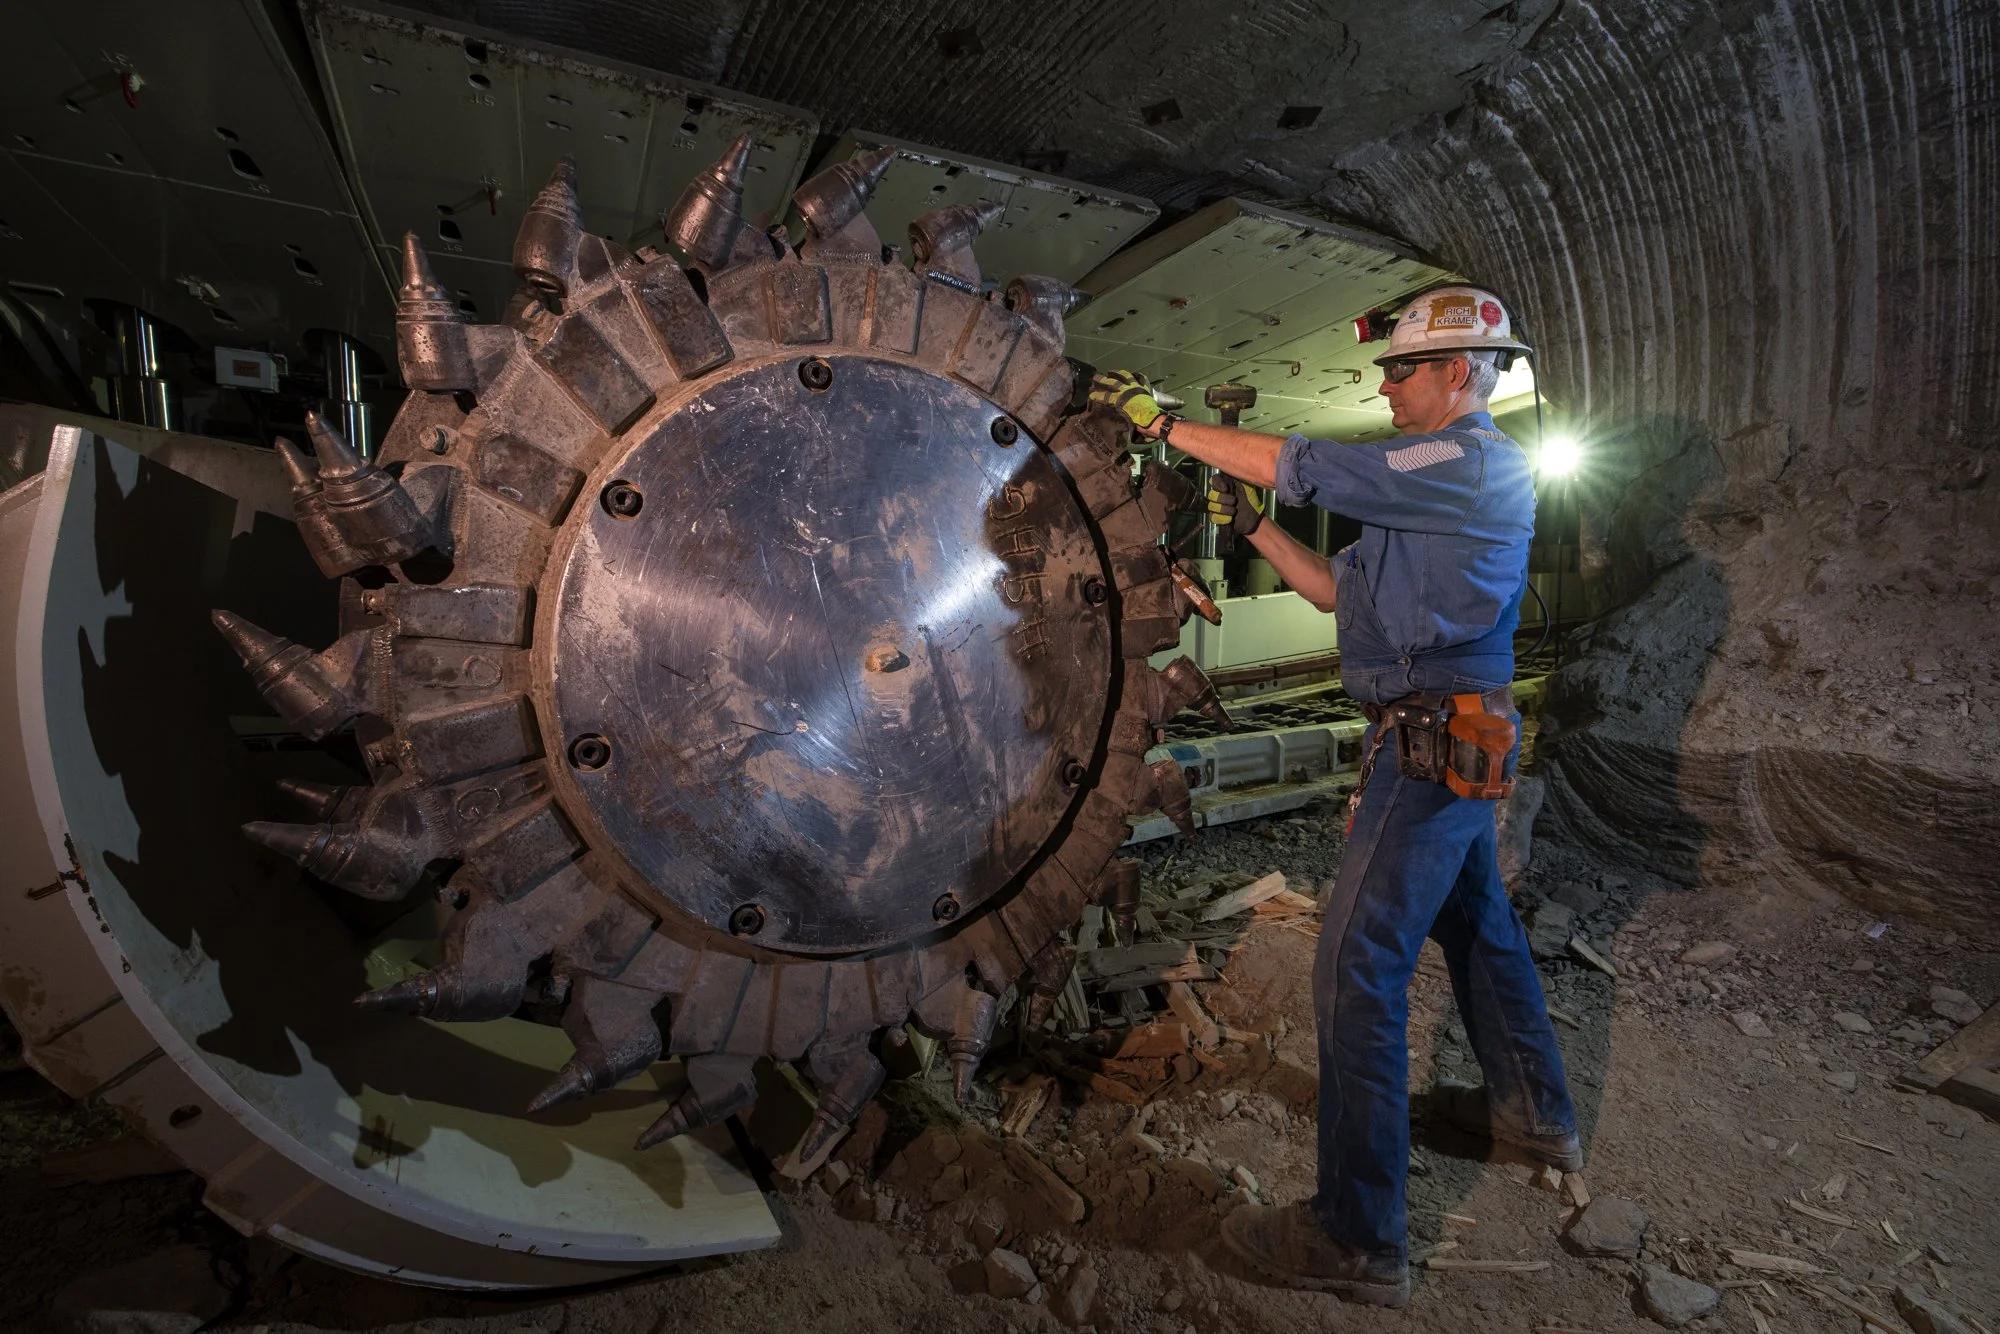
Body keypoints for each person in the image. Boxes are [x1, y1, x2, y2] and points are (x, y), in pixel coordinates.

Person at [1089, 286, 1579, 1308]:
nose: (1386, 385)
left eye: (1403, 370)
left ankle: (1358, 1235)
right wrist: (1257, 529)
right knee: (1479, 924)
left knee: (1356, 965)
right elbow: (1328, 591)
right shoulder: (1423, 504)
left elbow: (1316, 460)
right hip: (1443, 738)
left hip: (1429, 746)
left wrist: (1164, 423)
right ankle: (1530, 1109)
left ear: (1459, 374)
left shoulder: (1469, 461)